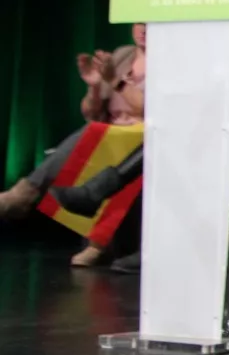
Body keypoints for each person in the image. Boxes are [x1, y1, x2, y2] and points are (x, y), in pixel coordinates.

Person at [0, 23, 147, 269]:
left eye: (150, 22)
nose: (144, 29)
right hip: (109, 131)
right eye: (139, 22)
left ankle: (25, 195)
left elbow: (153, 108)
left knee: (100, 139)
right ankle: (95, 240)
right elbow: (91, 113)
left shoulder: (170, 61)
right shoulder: (123, 55)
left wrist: (116, 81)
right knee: (94, 133)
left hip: (142, 136)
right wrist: (94, 86)